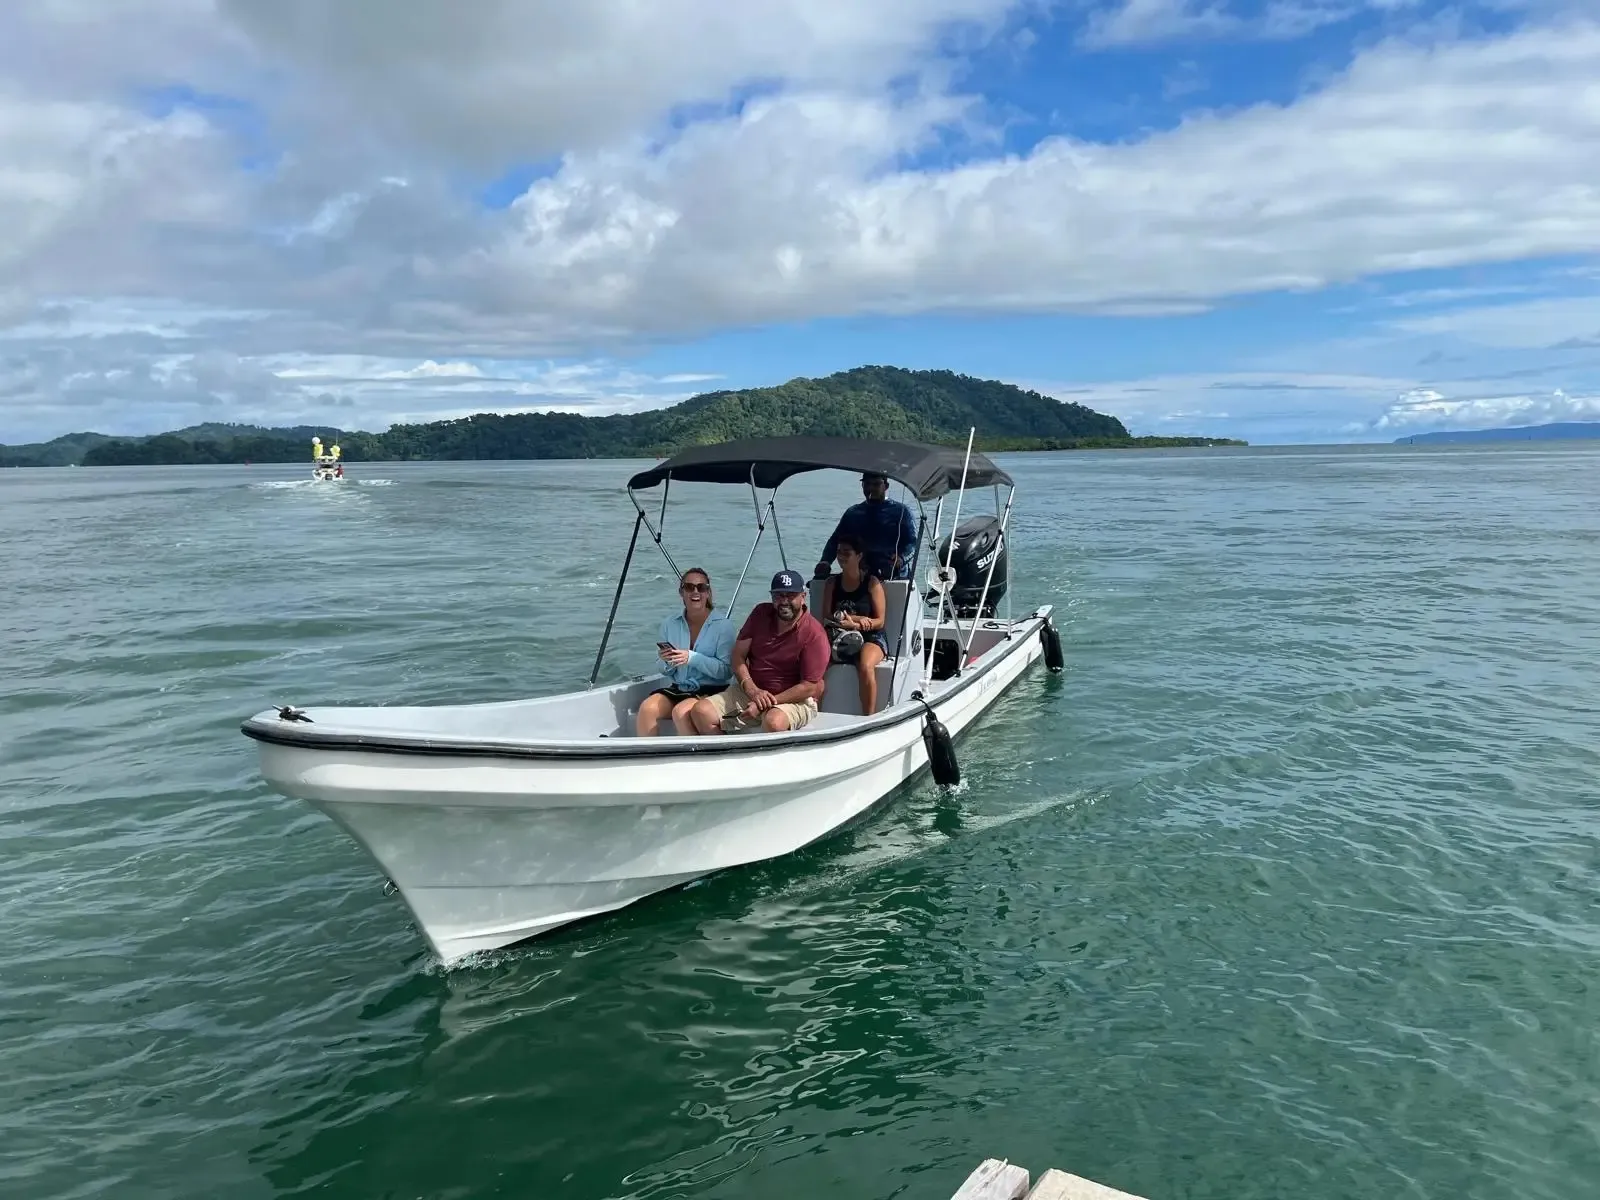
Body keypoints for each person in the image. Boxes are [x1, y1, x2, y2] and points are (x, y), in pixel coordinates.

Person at [687, 569, 829, 734]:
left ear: (803, 597)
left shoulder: (815, 633)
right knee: (701, 712)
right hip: (752, 691)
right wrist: (752, 690)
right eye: (778, 595)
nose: (784, 601)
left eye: (790, 596)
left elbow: (809, 687)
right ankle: (728, 755)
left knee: (774, 722)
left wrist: (765, 702)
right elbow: (738, 655)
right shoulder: (760, 613)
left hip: (795, 700)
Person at [634, 567, 733, 737]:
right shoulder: (669, 624)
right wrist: (666, 661)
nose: (695, 591)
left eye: (701, 587)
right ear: (681, 592)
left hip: (712, 690)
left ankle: (693, 761)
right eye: (689, 587)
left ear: (708, 592)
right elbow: (663, 669)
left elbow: (726, 671)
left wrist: (692, 658)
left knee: (681, 712)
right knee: (647, 708)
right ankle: (651, 759)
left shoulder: (723, 626)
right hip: (680, 688)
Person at [820, 534, 888, 716]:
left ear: (859, 556)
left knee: (865, 665)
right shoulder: (832, 583)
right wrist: (850, 621)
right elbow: (826, 615)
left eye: (847, 552)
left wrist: (856, 625)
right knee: (816, 662)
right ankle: (813, 712)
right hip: (838, 634)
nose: (841, 556)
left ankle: (868, 717)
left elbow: (880, 620)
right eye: (839, 552)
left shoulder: (871, 583)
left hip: (870, 636)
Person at [814, 472, 918, 583]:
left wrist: (901, 558)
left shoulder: (901, 511)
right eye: (867, 484)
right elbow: (835, 540)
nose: (871, 488)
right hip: (861, 576)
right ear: (862, 486)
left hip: (894, 577)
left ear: (886, 486)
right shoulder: (853, 513)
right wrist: (825, 561)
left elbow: (913, 543)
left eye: (876, 484)